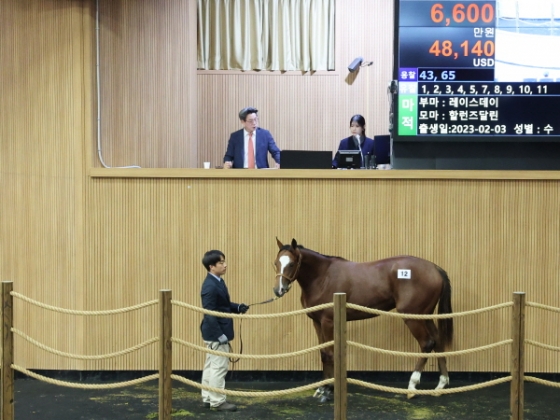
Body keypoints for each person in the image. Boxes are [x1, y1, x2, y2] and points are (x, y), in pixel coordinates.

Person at [200, 250, 249, 412]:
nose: (225, 265)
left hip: (215, 331)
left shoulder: (217, 281)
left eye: (224, 262)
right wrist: (219, 335)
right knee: (219, 367)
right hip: (216, 333)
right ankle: (217, 401)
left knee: (211, 365)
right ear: (211, 267)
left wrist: (237, 307)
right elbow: (210, 312)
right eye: (221, 263)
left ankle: (207, 398)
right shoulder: (210, 286)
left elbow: (222, 306)